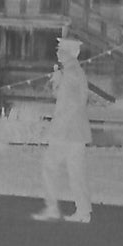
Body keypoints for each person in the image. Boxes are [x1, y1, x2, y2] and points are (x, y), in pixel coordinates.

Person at [34, 36, 94, 223]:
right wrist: (57, 83)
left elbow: (71, 104)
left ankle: (53, 207)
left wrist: (57, 127)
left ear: (68, 52)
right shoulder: (73, 72)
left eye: (61, 49)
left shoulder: (71, 73)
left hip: (66, 132)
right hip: (75, 132)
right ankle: (83, 210)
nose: (58, 52)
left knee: (50, 167)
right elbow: (66, 98)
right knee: (75, 172)